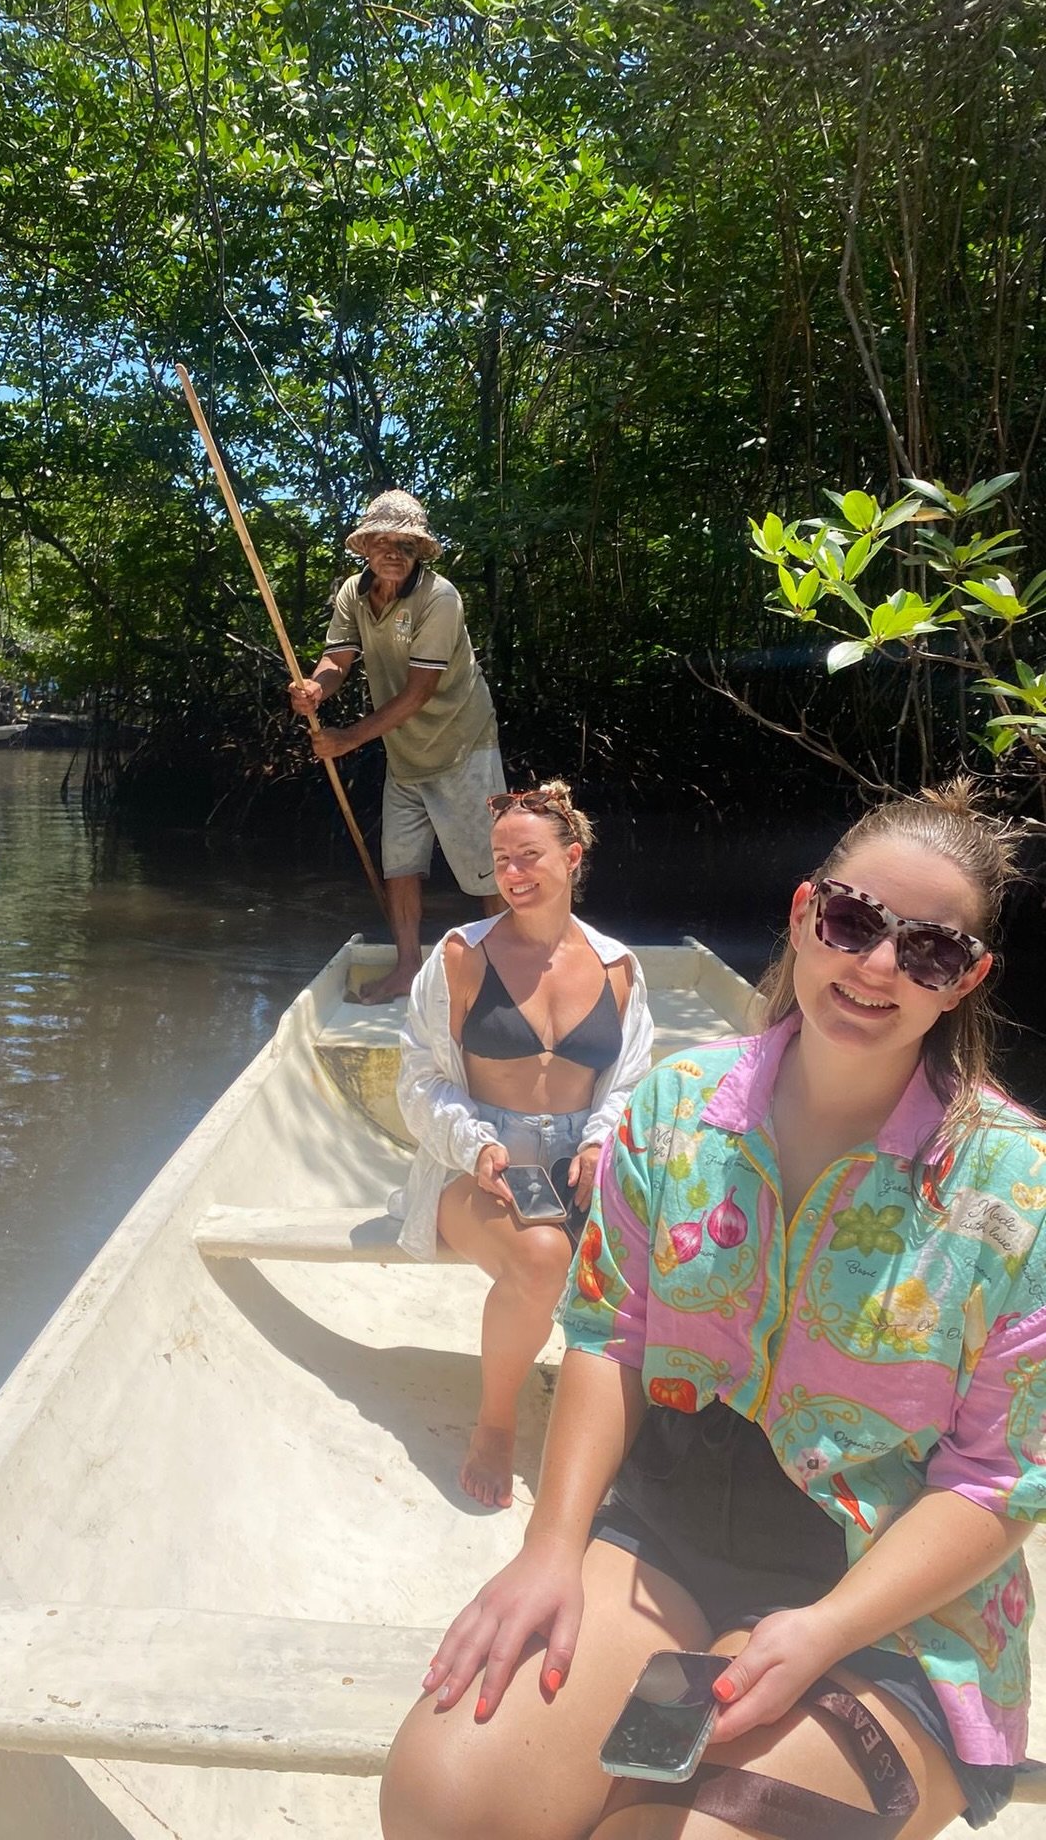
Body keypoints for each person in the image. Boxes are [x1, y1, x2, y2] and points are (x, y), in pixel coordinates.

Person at [382, 781, 1044, 1839]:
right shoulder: (677, 1108)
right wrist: (552, 1546)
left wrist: (824, 1629)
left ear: (965, 980)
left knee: (667, 1829)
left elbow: (1003, 1479)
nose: (876, 967)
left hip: (890, 1593)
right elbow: (610, 1332)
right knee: (445, 1803)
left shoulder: (1015, 1189)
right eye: (855, 922)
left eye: (926, 953)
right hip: (672, 1525)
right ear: (802, 913)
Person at [392, 783, 654, 1509]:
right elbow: (418, 1083)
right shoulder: (458, 958)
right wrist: (476, 1148)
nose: (512, 872)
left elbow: (628, 1085)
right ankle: (496, 1422)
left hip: (581, 1165)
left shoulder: (618, 968)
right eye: (501, 859)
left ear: (571, 858)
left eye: (529, 856)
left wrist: (602, 1146)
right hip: (468, 1165)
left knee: (675, 1252)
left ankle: (630, 1434)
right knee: (542, 1258)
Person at [291, 491, 504, 1003]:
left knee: (487, 869)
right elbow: (338, 658)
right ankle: (408, 966)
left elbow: (419, 691)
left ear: (418, 552)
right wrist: (317, 687)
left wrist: (347, 739)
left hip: (462, 746)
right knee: (401, 865)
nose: (392, 552)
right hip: (405, 755)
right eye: (382, 542)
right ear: (366, 546)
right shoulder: (352, 593)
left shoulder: (441, 598)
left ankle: (504, 976)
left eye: (405, 545)